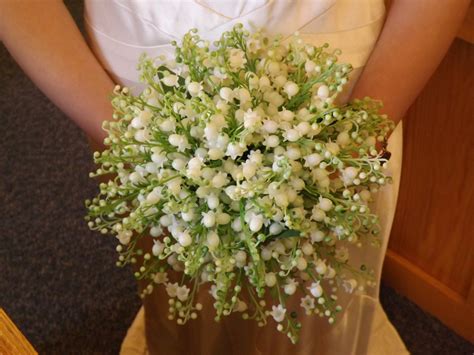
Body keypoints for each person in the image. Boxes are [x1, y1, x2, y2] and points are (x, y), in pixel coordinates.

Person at [0, 1, 469, 354]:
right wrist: (124, 132)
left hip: (342, 79)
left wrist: (359, 137)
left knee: (325, 297)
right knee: (177, 286)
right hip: (136, 76)